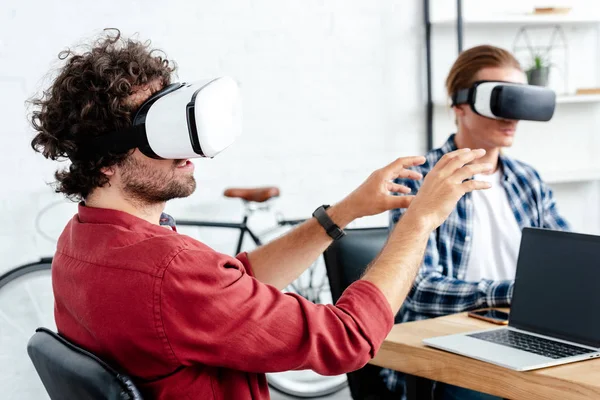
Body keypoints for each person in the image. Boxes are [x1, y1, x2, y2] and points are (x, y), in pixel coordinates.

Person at [29, 29, 492, 400]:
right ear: (105, 161)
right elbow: (349, 339)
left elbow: (235, 284)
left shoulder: (82, 241)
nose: (189, 151)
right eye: (160, 132)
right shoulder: (166, 271)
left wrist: (344, 213)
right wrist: (420, 223)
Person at [382, 45, 570, 399]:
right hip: (442, 351)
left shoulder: (529, 181)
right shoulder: (419, 179)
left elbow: (567, 269)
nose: (512, 117)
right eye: (501, 100)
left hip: (525, 340)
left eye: (521, 100)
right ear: (460, 106)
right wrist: (512, 294)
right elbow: (417, 289)